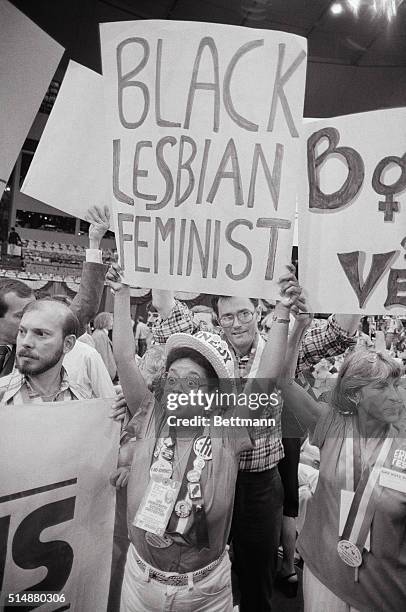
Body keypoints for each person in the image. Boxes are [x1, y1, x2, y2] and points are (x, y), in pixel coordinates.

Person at [106, 263, 301, 612]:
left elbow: (266, 378)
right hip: (140, 583)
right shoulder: (151, 416)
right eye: (173, 377)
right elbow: (122, 356)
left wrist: (284, 311)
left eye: (193, 381)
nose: (180, 387)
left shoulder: (227, 433)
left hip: (205, 592)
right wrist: (121, 294)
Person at [280, 349, 406, 612]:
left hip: (382, 588)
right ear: (355, 394)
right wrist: (297, 325)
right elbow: (283, 380)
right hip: (325, 576)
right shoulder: (332, 424)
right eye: (382, 387)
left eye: (396, 384)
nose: (395, 396)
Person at [0, 205, 109, 378]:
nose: (33, 320)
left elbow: (85, 306)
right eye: (21, 315)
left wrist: (94, 243)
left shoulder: (42, 348)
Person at [0, 299, 86, 404]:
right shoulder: (3, 396)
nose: (26, 342)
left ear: (68, 344)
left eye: (41, 334)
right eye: (22, 331)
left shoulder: (82, 401)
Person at [93, 312, 117, 382]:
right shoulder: (100, 335)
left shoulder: (101, 334)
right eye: (111, 321)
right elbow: (103, 357)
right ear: (105, 321)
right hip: (103, 377)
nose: (113, 323)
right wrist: (105, 377)